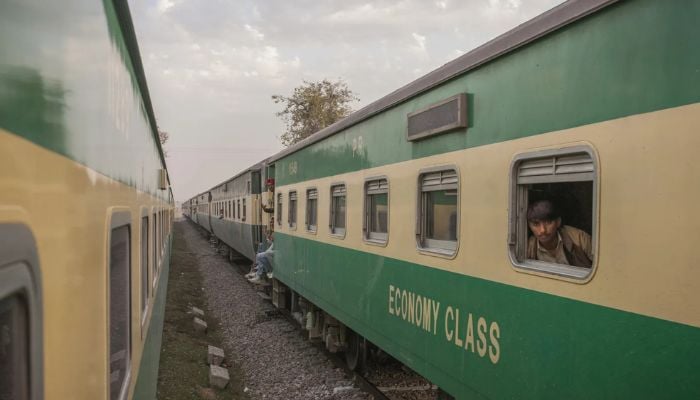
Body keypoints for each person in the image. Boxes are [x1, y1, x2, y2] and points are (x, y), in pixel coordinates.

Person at [526, 199, 593, 268]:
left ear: (558, 222)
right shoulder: (528, 247)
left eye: (548, 222)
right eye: (536, 224)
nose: (543, 230)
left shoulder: (579, 238)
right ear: (529, 225)